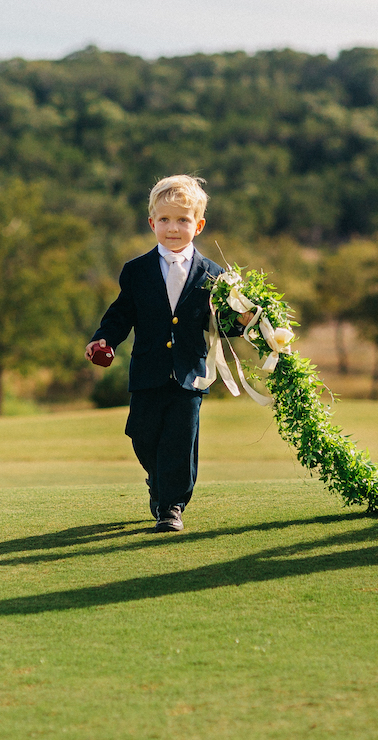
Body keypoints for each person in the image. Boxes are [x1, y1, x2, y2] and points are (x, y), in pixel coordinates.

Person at [86, 175, 246, 533]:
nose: (173, 228)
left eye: (183, 220)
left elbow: (224, 324)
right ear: (152, 223)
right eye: (165, 220)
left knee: (180, 440)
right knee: (143, 436)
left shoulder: (215, 275)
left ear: (199, 225)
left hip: (190, 373)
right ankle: (157, 482)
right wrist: (104, 340)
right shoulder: (137, 271)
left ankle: (171, 506)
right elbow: (121, 313)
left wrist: (245, 318)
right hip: (147, 371)